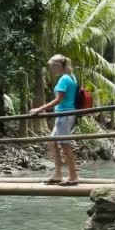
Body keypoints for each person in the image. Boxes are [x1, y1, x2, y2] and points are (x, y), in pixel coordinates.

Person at [29, 54, 79, 186]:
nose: (51, 69)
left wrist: (39, 109)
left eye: (52, 66)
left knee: (65, 145)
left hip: (65, 114)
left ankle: (73, 176)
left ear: (58, 66)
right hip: (65, 115)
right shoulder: (71, 77)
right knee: (52, 142)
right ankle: (58, 174)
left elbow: (58, 100)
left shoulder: (64, 79)